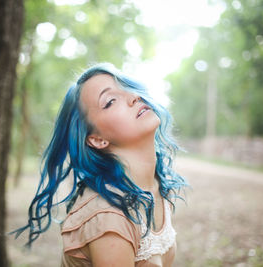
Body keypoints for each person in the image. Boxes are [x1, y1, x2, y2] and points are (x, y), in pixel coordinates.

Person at [14, 63, 188, 266]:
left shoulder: (154, 184)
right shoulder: (109, 217)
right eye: (111, 101)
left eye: (128, 88)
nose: (134, 97)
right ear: (97, 139)